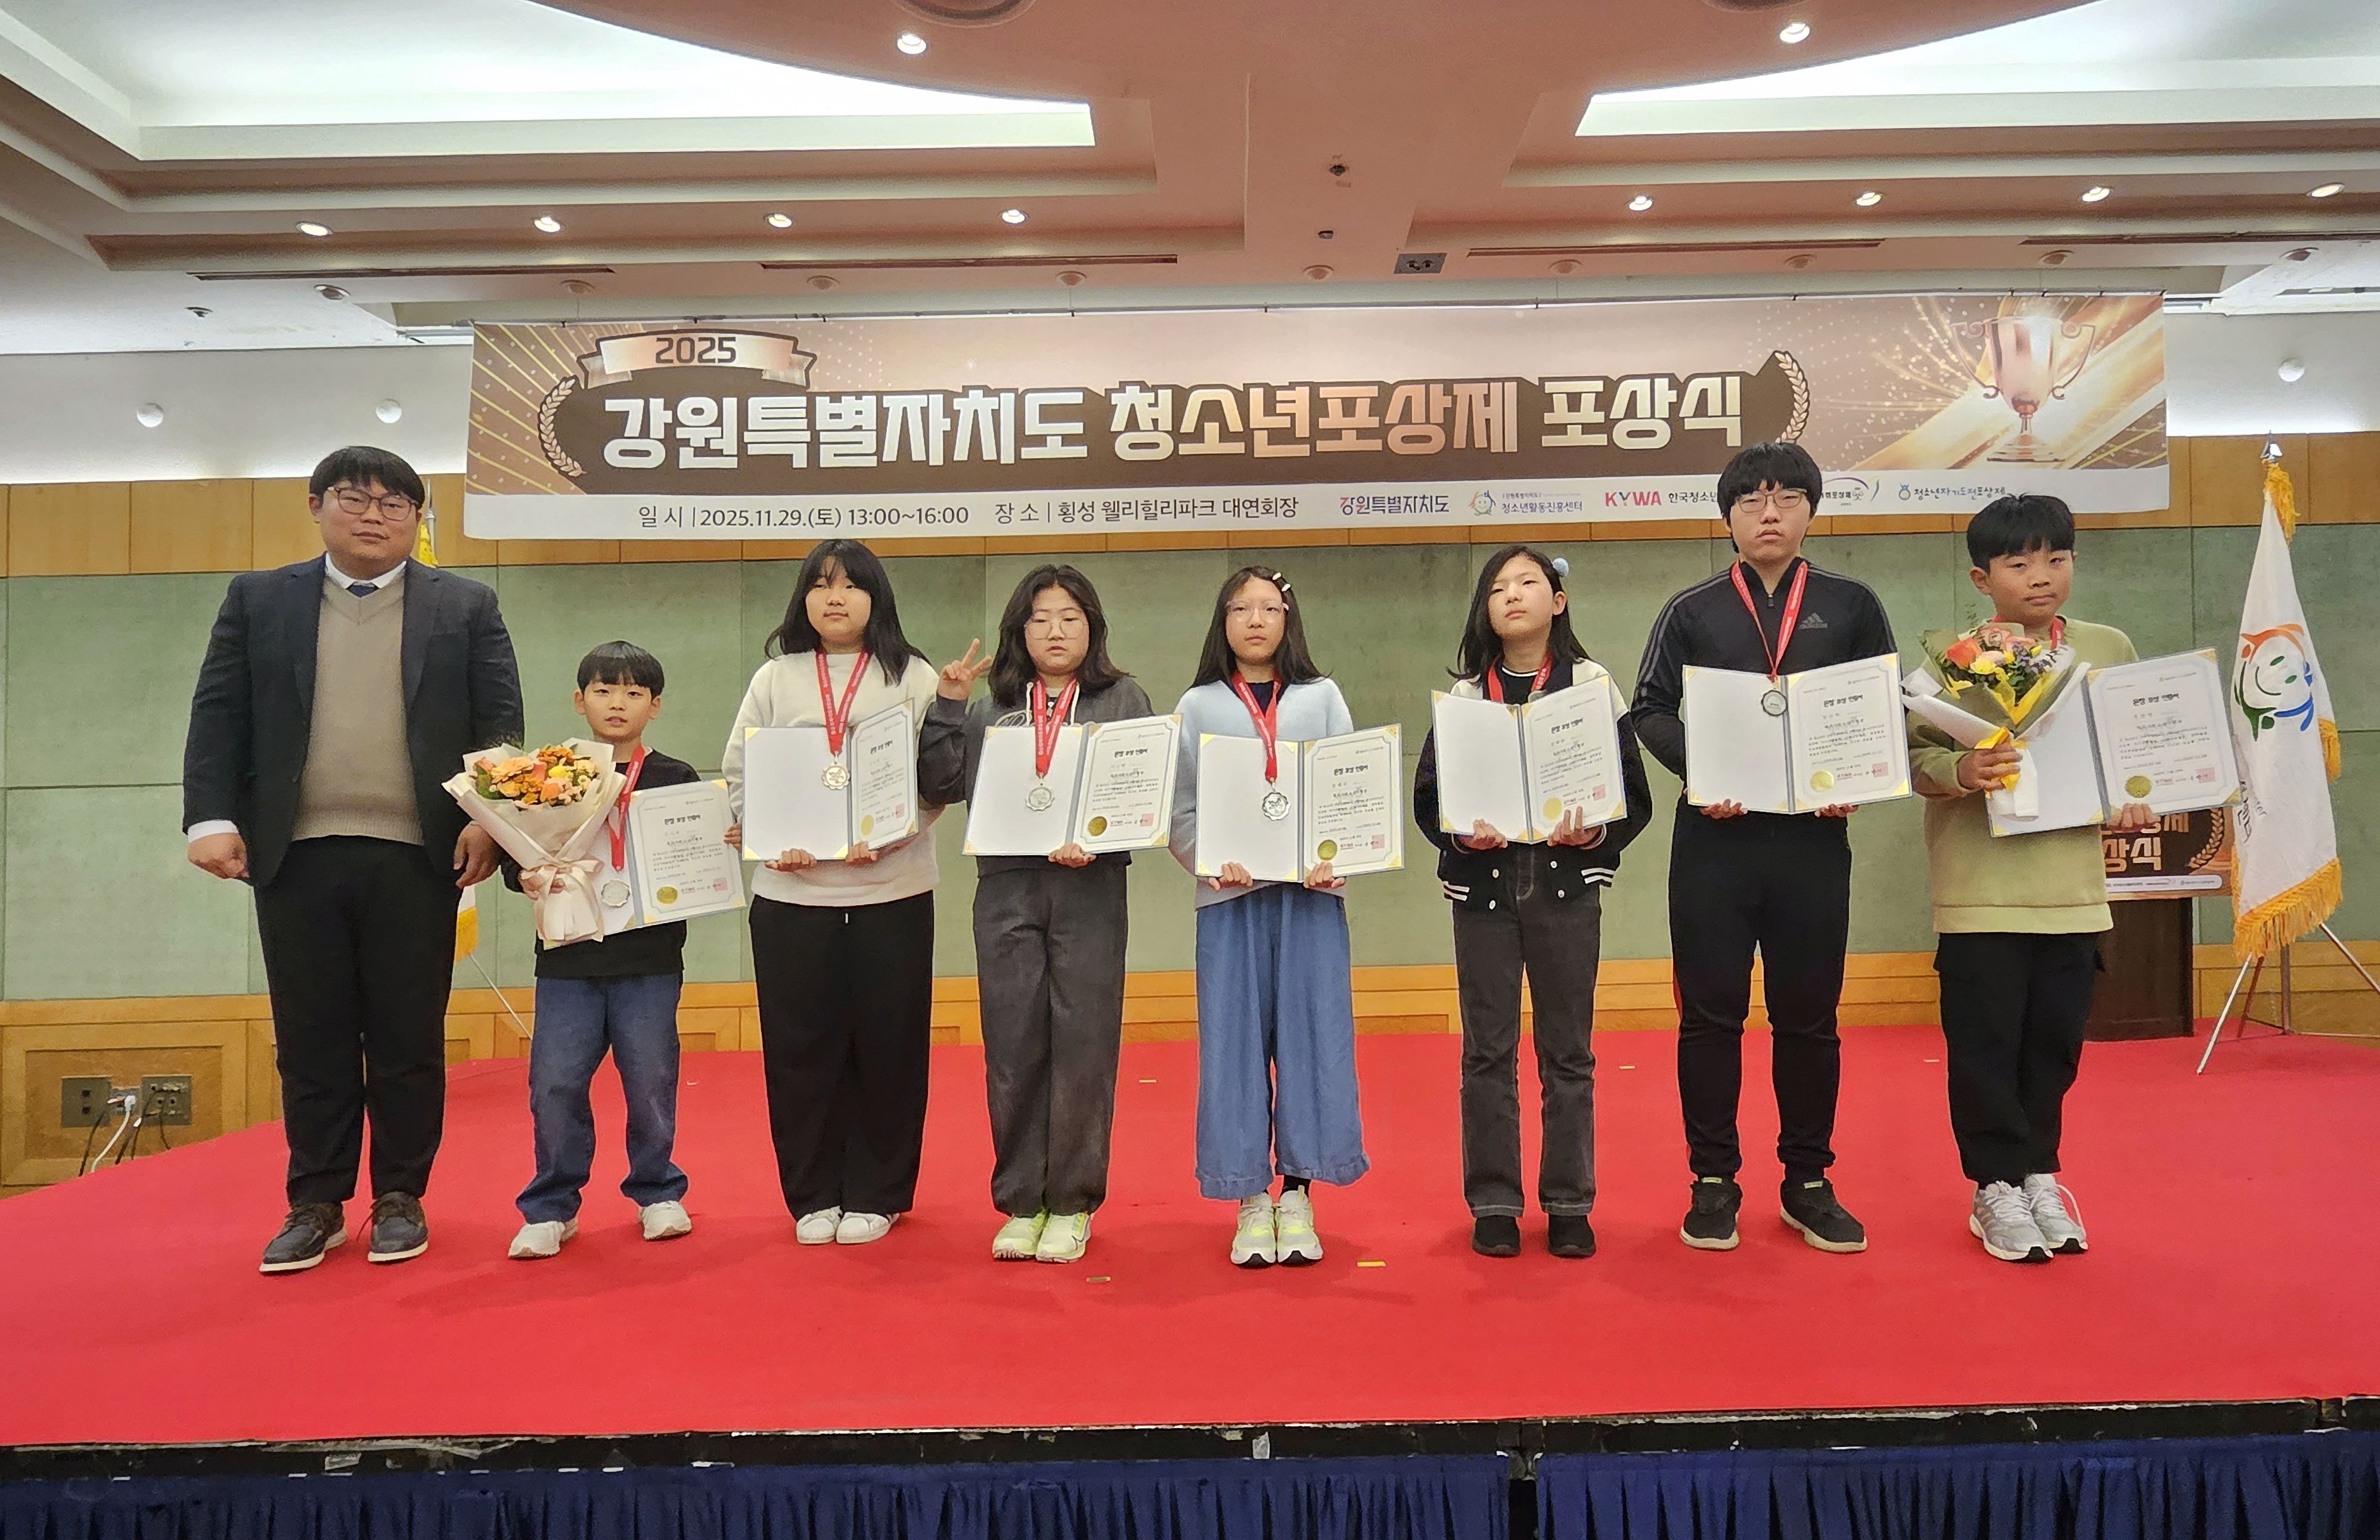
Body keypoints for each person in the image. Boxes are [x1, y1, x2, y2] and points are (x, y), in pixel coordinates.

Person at [182, 445, 522, 1274]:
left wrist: (490, 822)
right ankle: (316, 1202)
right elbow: (218, 714)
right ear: (316, 506)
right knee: (312, 1036)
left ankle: (400, 1196)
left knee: (409, 1035)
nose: (374, 516)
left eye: (394, 504)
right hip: (295, 853)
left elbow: (499, 724)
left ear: (416, 518)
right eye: (355, 499)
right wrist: (209, 819)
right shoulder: (259, 599)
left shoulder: (466, 604)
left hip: (420, 854)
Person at [1629, 440, 1895, 1255]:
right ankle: (1712, 1181)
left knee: (1809, 1017)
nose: (1769, 513)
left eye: (1786, 498)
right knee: (1710, 1017)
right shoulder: (1691, 609)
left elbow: (1879, 707)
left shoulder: (1851, 605)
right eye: (1751, 501)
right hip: (1715, 842)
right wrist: (1703, 770)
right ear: (1728, 518)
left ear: (1812, 510)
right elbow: (1648, 709)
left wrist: (1857, 773)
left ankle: (1808, 1180)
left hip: (1813, 842)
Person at [1908, 494, 2154, 1263]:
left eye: (2057, 558)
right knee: (1985, 1047)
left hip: (2073, 892)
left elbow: (2137, 751)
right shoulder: (1952, 661)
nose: (2041, 576)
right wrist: (1962, 768)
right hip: (1979, 890)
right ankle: (1994, 1186)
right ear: (1982, 579)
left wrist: (2137, 798)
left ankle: (2039, 1173)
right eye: (2019, 563)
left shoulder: (2108, 648)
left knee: (2053, 1048)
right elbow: (1913, 761)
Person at [1412, 547, 1651, 1260]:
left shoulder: (1593, 687)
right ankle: (1494, 1200)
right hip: (1483, 892)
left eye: (1527, 583)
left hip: (1565, 886)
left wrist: (1594, 831)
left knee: (1568, 1052)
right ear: (1485, 610)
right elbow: (1428, 799)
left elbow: (1634, 796)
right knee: (1486, 1050)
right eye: (1497, 588)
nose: (1512, 595)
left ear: (1558, 601)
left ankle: (1570, 1201)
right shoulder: (1465, 698)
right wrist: (1462, 832)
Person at [918, 566, 1153, 1264]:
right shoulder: (992, 706)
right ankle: (1023, 1200)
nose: (1055, 631)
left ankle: (1074, 1202)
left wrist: (1101, 839)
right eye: (1041, 618)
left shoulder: (1123, 698)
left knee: (1085, 1045)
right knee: (1013, 1043)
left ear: (1093, 628)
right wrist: (947, 706)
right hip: (1008, 886)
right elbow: (940, 785)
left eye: (1070, 618)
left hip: (1090, 887)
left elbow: (1144, 791)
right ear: (1020, 631)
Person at [722, 540, 943, 1247]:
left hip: (894, 888)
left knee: (890, 1044)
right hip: (792, 894)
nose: (836, 598)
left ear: (877, 597)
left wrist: (897, 836)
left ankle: (879, 1192)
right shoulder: (776, 677)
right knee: (800, 1048)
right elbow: (740, 769)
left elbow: (937, 777)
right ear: (804, 600)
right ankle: (813, 1193)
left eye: (851, 585)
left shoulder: (913, 675)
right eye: (821, 585)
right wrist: (767, 835)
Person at [1169, 565, 1368, 1267]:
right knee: (1232, 1042)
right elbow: (1180, 807)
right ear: (1222, 622)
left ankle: (1299, 1193)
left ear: (1289, 620)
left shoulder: (1321, 698)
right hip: (1231, 898)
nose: (1255, 620)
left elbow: (1351, 789)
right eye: (1240, 608)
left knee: (1315, 1036)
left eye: (1269, 608)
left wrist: (1338, 855)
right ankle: (1250, 1196)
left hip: (1311, 896)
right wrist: (1208, 859)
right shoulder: (1197, 705)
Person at [502, 642, 699, 1260]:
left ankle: (657, 1192)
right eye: (604, 690)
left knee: (651, 1081)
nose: (618, 703)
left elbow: (696, 861)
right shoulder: (549, 776)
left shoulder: (677, 778)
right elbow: (515, 856)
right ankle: (551, 1206)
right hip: (568, 959)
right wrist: (528, 875)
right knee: (555, 1084)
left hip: (650, 960)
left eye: (634, 692)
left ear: (655, 706)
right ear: (579, 699)